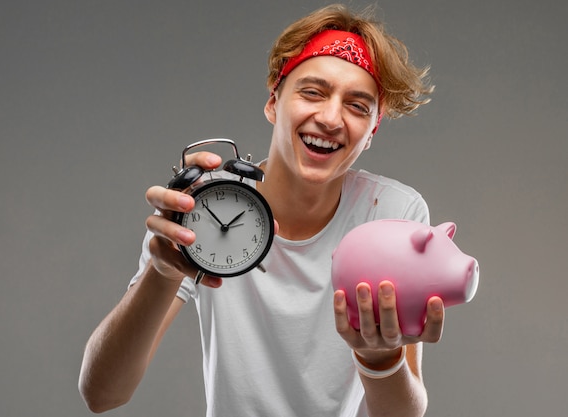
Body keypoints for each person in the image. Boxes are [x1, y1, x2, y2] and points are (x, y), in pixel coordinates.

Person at [79, 3, 445, 416]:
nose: (330, 118)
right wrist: (161, 272)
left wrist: (381, 359)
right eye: (312, 92)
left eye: (357, 106)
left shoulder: (393, 214)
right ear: (274, 101)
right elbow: (102, 394)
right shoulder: (203, 204)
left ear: (371, 133)